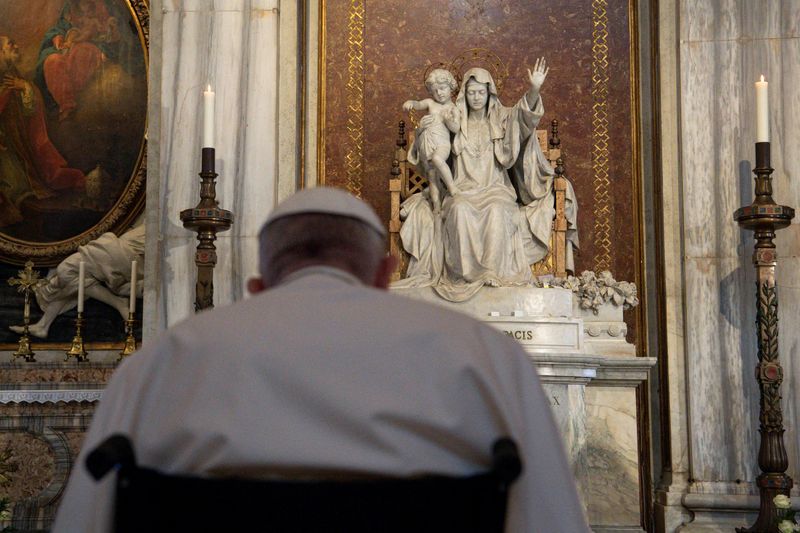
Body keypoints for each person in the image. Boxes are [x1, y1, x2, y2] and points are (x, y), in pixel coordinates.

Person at [52, 187, 589, 533]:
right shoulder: (488, 359)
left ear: (259, 285)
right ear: (384, 275)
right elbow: (548, 518)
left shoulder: (160, 363)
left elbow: (87, 518)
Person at [397, 58, 579, 302]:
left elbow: (524, 118)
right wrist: (424, 129)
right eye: (471, 92)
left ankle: (492, 273)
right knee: (460, 211)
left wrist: (534, 89)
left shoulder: (502, 119)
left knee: (496, 211)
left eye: (481, 92)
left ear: (489, 92)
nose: (476, 97)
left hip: (496, 190)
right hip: (462, 190)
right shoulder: (453, 118)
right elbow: (430, 147)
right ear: (464, 94)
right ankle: (464, 277)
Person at [0, 35, 85, 227]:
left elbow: (29, 110)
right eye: (10, 44)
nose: (16, 45)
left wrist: (25, 88)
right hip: (6, 146)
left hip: (19, 145)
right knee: (15, 185)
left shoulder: (13, 74)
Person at [9, 222, 144, 339]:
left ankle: (118, 303)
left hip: (124, 251)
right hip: (124, 254)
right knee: (72, 279)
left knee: (67, 272)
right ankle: (43, 325)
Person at [403, 68, 461, 213]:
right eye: (435, 91)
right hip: (427, 145)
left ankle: (453, 188)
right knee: (432, 178)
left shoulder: (453, 108)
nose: (439, 93)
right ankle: (436, 206)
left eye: (442, 88)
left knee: (437, 159)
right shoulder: (430, 103)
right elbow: (418, 104)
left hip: (442, 143)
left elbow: (456, 129)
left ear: (451, 87)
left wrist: (448, 121)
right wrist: (411, 102)